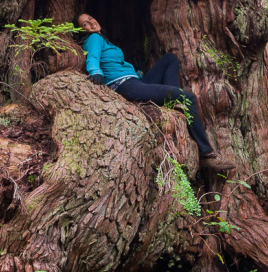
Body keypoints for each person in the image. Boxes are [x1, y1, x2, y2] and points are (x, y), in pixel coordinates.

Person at [77, 14, 235, 173]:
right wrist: (95, 71)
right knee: (189, 98)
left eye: (90, 19)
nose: (90, 23)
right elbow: (93, 57)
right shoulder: (93, 39)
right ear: (82, 30)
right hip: (124, 85)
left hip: (135, 81)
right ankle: (207, 153)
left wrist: (138, 73)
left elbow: (115, 64)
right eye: (85, 24)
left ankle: (173, 101)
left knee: (170, 59)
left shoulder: (104, 40)